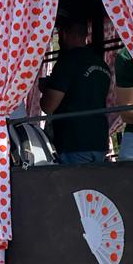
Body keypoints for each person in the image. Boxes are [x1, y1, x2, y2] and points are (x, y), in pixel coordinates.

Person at [39, 15, 112, 164]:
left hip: (74, 141)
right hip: (99, 139)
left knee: (76, 185)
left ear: (63, 34)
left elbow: (48, 106)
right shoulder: (102, 65)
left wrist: (45, 88)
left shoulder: (67, 62)